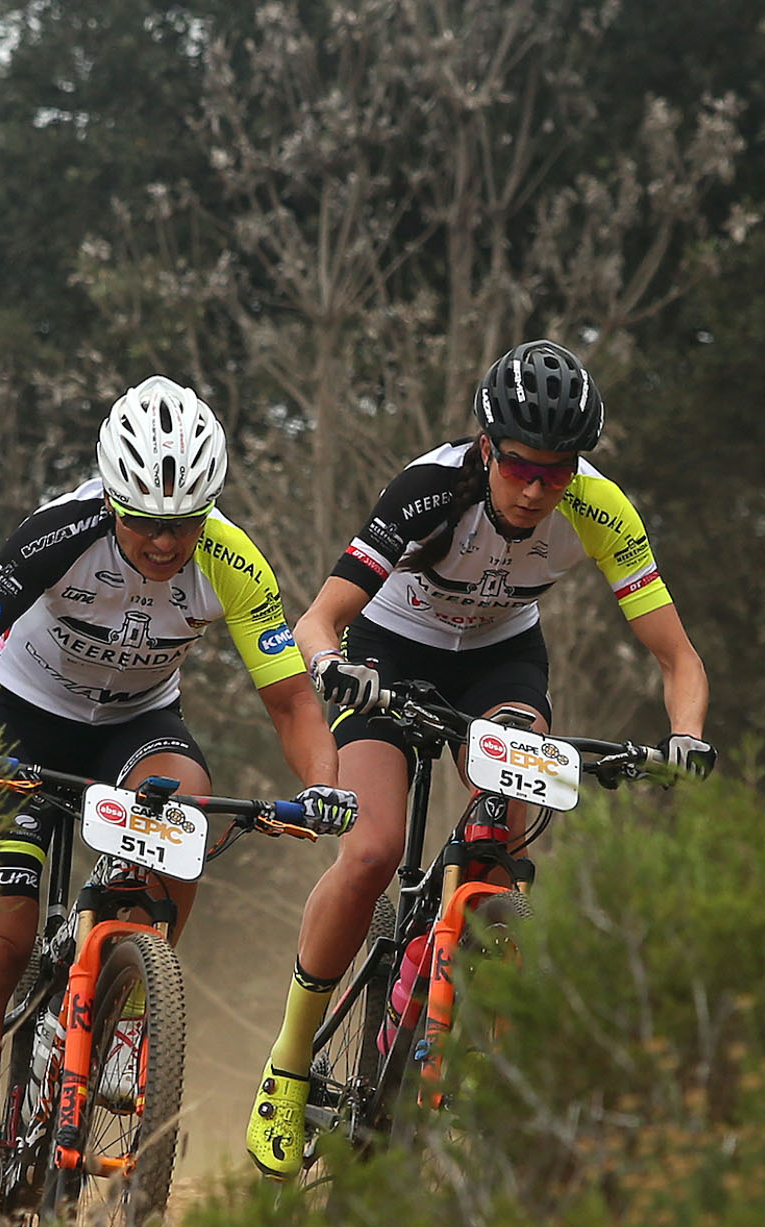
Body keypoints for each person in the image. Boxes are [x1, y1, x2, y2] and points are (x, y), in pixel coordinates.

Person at [0, 374, 357, 1227]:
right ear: (110, 499)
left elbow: (290, 700)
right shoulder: (61, 531)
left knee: (184, 802)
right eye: (143, 520)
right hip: (16, 719)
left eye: (182, 522)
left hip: (134, 725)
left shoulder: (230, 558)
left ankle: (123, 1003)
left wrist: (325, 788)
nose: (162, 541)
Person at [241, 340, 713, 1178]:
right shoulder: (431, 488)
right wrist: (333, 669)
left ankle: (477, 1001)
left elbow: (679, 660)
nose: (537, 489)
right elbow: (317, 621)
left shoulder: (600, 510)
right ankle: (288, 1061)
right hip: (392, 648)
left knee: (505, 818)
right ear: (488, 449)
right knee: (374, 850)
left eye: (558, 471)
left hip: (501, 659)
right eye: (522, 466)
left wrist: (684, 736)